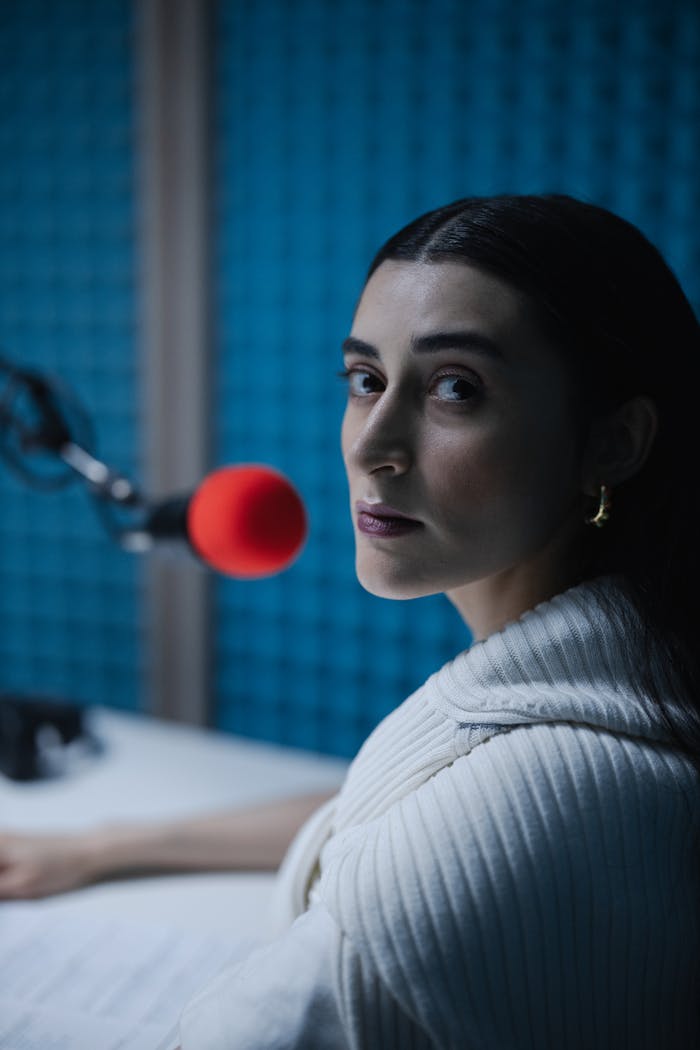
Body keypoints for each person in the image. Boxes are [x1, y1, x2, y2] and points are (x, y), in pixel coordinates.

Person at [3, 193, 700, 1048]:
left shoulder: (540, 797)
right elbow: (377, 809)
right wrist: (106, 845)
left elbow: (461, 831)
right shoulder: (630, 681)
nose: (373, 444)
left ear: (613, 442)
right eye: (366, 380)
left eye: (455, 388)